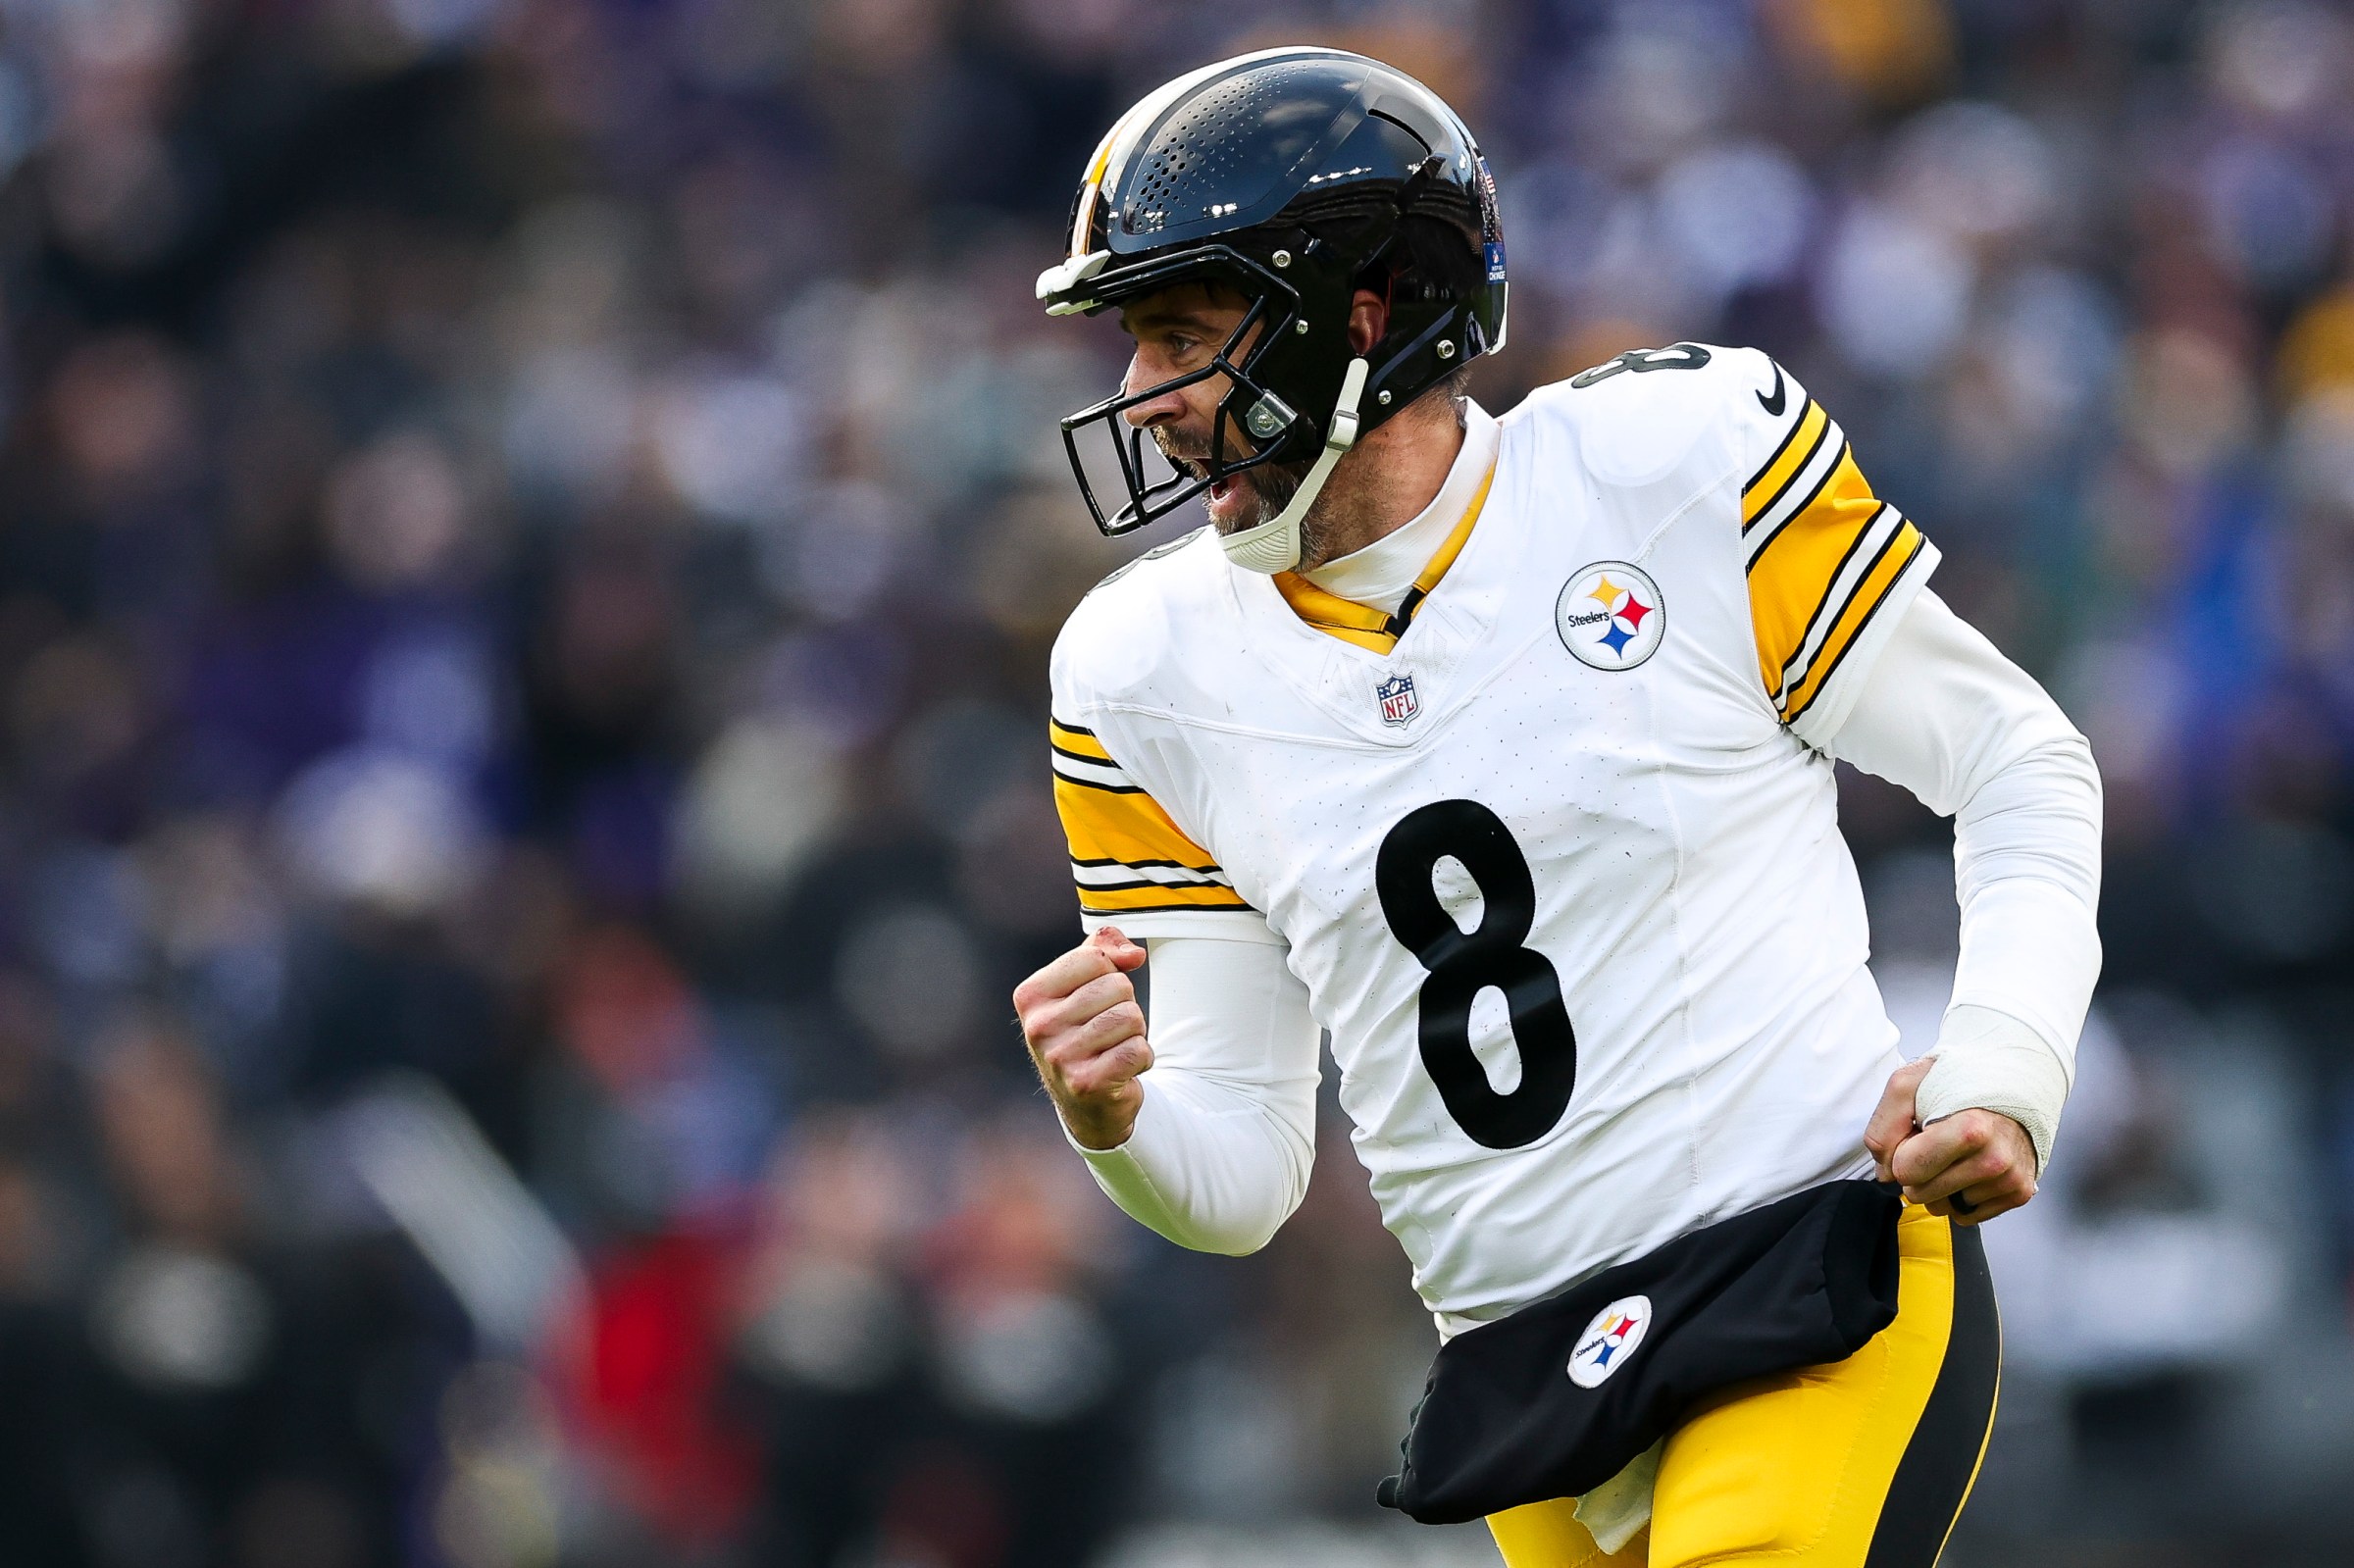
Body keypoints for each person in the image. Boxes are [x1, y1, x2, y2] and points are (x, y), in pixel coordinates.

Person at [1013, 47, 2100, 1568]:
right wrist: (1115, 1123)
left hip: (1807, 1273)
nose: (1145, 399)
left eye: (1182, 335)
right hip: (1528, 1385)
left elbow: (2020, 760)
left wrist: (2005, 1066)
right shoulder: (1138, 668)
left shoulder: (1672, 464)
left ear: (1361, 320)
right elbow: (1246, 1178)